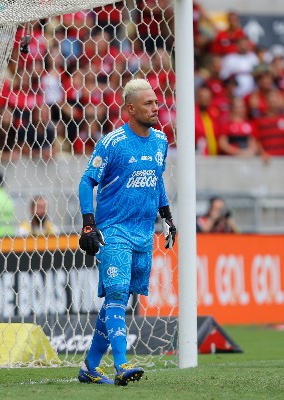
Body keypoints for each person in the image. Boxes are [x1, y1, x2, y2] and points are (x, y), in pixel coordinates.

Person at [77, 78, 176, 386]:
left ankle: (90, 368)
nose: (155, 107)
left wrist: (168, 216)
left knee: (117, 302)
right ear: (130, 109)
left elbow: (157, 180)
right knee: (118, 294)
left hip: (143, 232)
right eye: (148, 103)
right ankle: (121, 365)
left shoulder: (160, 141)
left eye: (156, 101)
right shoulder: (112, 142)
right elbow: (86, 181)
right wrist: (89, 223)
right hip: (114, 230)